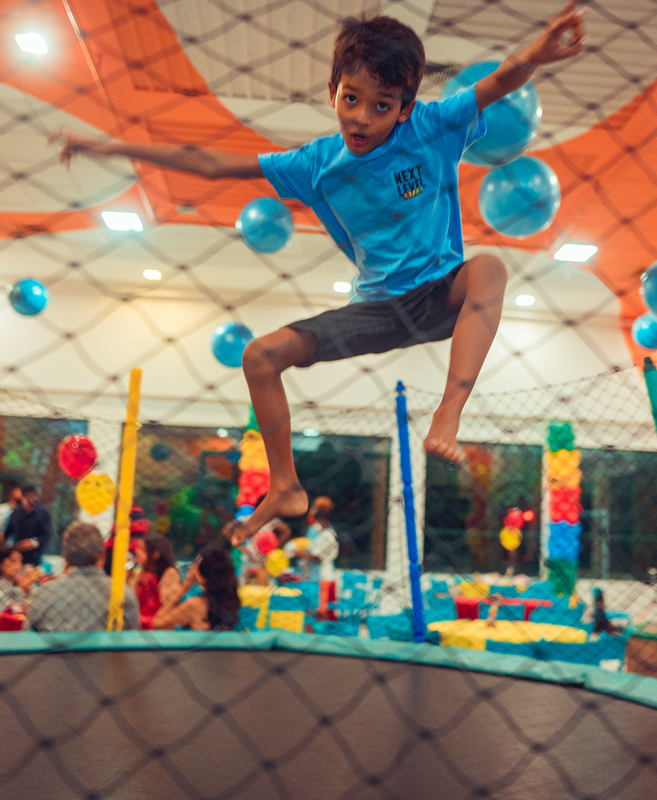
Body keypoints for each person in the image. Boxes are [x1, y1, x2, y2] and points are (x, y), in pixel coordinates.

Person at [52, 8, 586, 544]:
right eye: (351, 99)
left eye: (381, 107)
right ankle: (284, 486)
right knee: (259, 356)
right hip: (376, 311)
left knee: (490, 267)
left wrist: (539, 53)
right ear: (332, 89)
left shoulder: (432, 129)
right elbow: (213, 164)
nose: (361, 118)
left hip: (443, 295)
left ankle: (448, 413)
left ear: (404, 110)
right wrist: (108, 146)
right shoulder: (315, 164)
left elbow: (497, 83)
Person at [27, 522, 141, 632]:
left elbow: (26, 635)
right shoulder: (124, 595)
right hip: (105, 652)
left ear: (65, 557)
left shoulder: (45, 593)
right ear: (102, 554)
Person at [151, 548, 241, 632]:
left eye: (197, 564)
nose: (193, 567)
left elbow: (158, 623)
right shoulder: (234, 603)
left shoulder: (196, 606)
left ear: (204, 573)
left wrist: (183, 589)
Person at [289, 497, 340, 614]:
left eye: (313, 507)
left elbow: (318, 557)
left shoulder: (328, 534)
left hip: (322, 576)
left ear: (320, 511)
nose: (310, 510)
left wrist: (299, 553)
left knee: (319, 610)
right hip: (309, 575)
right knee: (308, 608)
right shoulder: (314, 529)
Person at [135, 534, 181, 628]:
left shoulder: (170, 573)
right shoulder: (141, 572)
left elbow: (168, 608)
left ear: (156, 554)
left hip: (158, 628)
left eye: (142, 549)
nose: (137, 552)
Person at [0, 546, 34, 629]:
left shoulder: (17, 584)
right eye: (13, 561)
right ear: (0, 564)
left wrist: (28, 591)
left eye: (20, 561)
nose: (18, 566)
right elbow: (0, 613)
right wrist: (20, 590)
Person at [4, 484, 52, 566]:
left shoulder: (43, 513)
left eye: (33, 496)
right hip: (17, 557)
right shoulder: (16, 513)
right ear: (22, 498)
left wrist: (32, 542)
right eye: (27, 496)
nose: (30, 499)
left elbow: (47, 535)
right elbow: (7, 532)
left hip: (34, 558)